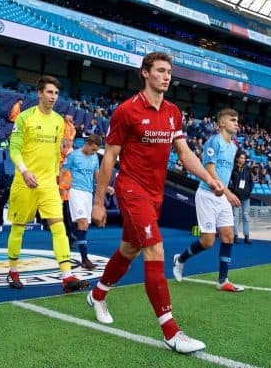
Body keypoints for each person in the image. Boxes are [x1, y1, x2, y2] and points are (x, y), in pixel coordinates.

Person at [88, 53, 224, 354]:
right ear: (145, 74)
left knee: (130, 249)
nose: (167, 76)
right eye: (161, 71)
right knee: (155, 248)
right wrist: (99, 203)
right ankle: (172, 332)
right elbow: (109, 157)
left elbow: (185, 154)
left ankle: (97, 295)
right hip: (130, 188)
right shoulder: (127, 111)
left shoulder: (174, 112)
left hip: (156, 192)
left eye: (169, 72)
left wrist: (209, 179)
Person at [6, 75, 89, 293]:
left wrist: (56, 175)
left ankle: (67, 277)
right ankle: (13, 271)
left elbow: (55, 153)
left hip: (47, 185)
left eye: (56, 93)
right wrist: (24, 171)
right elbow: (13, 149)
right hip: (25, 182)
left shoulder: (59, 122)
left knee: (58, 226)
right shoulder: (24, 118)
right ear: (39, 93)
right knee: (18, 228)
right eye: (49, 92)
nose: (53, 97)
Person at [172, 109, 243, 292]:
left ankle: (222, 280)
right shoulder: (214, 141)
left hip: (222, 196)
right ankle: (180, 259)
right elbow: (210, 170)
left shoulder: (234, 147)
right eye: (233, 120)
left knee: (228, 236)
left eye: (237, 120)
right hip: (207, 195)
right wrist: (227, 192)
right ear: (222, 124)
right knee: (208, 241)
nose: (236, 123)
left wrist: (225, 193)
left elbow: (225, 172)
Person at [61, 134, 101, 270]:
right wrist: (60, 188)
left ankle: (72, 241)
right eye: (93, 150)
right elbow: (62, 172)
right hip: (76, 192)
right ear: (88, 144)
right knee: (82, 223)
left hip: (88, 194)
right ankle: (85, 259)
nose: (94, 153)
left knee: (84, 226)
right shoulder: (73, 156)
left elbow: (97, 176)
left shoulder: (95, 157)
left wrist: (105, 187)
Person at [228, 150, 253, 244]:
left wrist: (248, 191)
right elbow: (229, 182)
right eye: (241, 158)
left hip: (246, 197)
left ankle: (246, 236)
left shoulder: (248, 169)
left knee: (246, 216)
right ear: (237, 158)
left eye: (244, 158)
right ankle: (235, 236)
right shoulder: (233, 169)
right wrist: (233, 190)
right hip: (236, 196)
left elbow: (251, 182)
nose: (243, 160)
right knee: (235, 216)